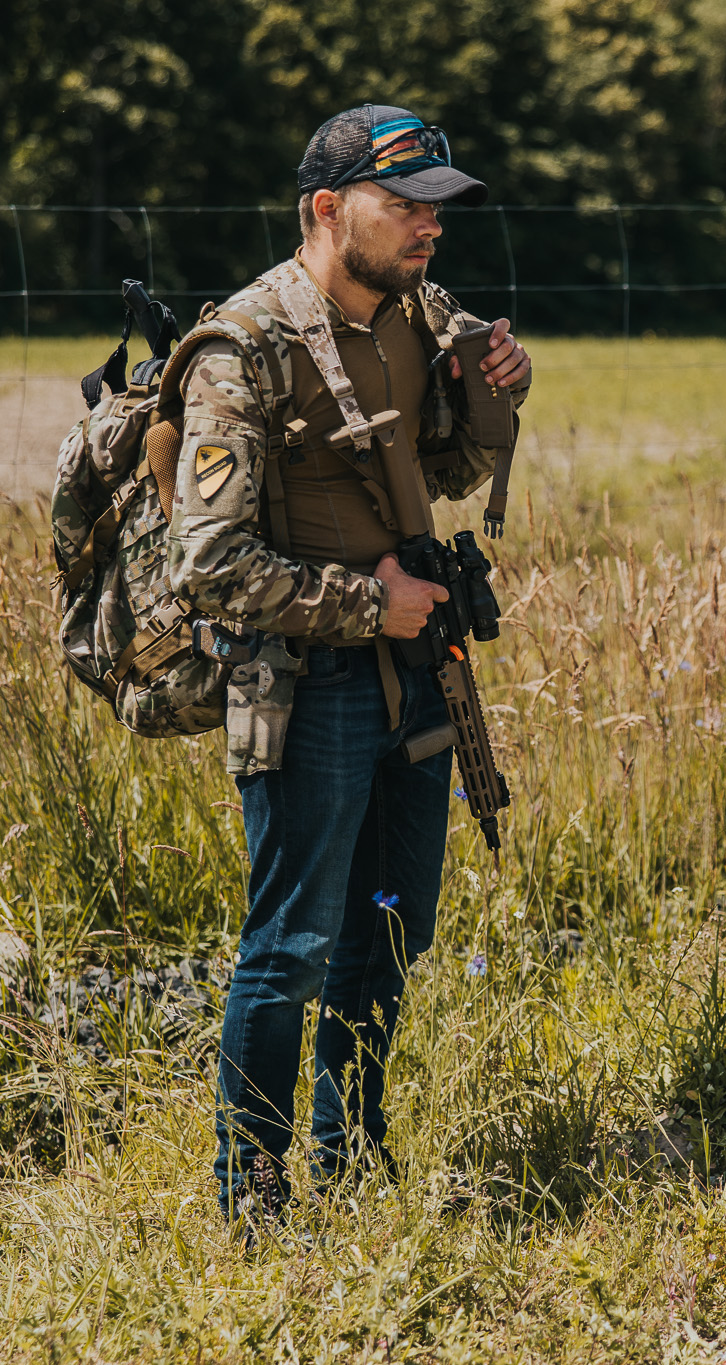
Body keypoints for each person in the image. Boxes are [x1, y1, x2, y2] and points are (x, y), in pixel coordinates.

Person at [162, 105, 533, 1228]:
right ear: (328, 210)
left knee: (386, 928)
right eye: (404, 206)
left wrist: (492, 389)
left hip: (416, 677)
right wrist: (372, 604)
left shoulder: (418, 318)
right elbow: (210, 565)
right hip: (305, 686)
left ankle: (352, 1159)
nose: (430, 228)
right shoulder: (246, 346)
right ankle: (253, 1196)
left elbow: (443, 473)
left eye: (437, 208)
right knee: (290, 949)